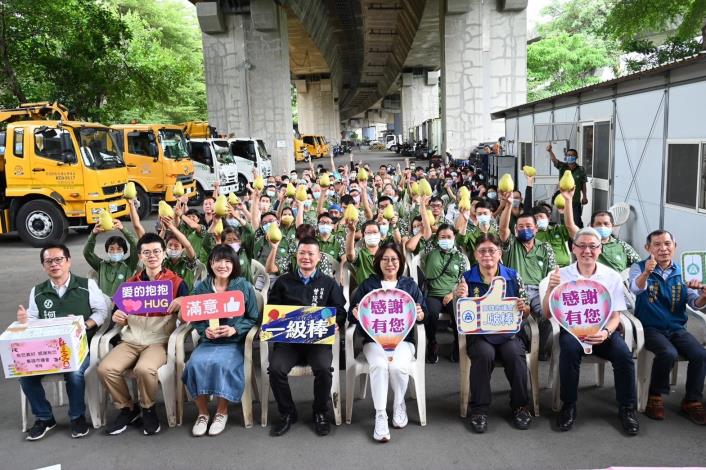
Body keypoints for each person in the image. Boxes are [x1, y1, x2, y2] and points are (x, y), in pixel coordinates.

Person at [540, 227, 639, 435]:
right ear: (573, 248)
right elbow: (548, 314)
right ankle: (569, 405)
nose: (587, 251)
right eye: (582, 246)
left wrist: (606, 333)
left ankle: (627, 408)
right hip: (573, 332)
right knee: (568, 350)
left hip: (603, 332)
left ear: (600, 249)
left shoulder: (611, 276)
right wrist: (550, 288)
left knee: (624, 355)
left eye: (592, 246)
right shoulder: (561, 275)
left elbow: (615, 316)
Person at [98, 233, 188, 436]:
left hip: (158, 340)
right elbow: (116, 313)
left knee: (144, 369)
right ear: (140, 256)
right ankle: (128, 408)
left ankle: (148, 407)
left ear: (164, 254)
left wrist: (183, 302)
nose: (152, 256)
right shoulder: (130, 284)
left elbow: (189, 315)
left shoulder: (176, 283)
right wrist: (118, 316)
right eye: (146, 252)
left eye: (156, 251)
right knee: (105, 368)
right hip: (131, 339)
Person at [17, 244, 108, 440]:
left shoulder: (86, 285)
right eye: (48, 261)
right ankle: (44, 418)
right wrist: (26, 321)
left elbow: (101, 312)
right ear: (43, 266)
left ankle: (76, 416)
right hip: (49, 350)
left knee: (74, 373)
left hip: (80, 347)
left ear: (68, 261)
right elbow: (33, 320)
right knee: (24, 374)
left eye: (58, 259)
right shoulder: (38, 292)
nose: (54, 264)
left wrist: (84, 324)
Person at [267, 238, 347, 437]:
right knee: (275, 369)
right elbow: (272, 312)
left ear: (319, 258)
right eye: (302, 253)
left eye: (311, 254)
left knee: (323, 369)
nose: (306, 257)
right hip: (289, 341)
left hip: (317, 340)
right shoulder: (283, 281)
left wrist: (335, 321)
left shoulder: (328, 283)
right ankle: (287, 412)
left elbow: (340, 310)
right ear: (296, 255)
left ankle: (320, 411)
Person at [348, 243, 427, 442]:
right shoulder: (368, 285)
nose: (390, 263)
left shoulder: (409, 285)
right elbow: (352, 313)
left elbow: (423, 313)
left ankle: (399, 403)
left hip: (403, 341)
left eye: (394, 259)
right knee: (380, 365)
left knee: (398, 367)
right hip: (374, 341)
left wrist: (420, 314)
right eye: (385, 259)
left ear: (400, 262)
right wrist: (355, 313)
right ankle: (381, 414)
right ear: (378, 262)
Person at [454, 234, 532, 433]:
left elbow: (525, 313)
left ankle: (521, 406)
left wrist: (524, 309)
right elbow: (461, 316)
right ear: (475, 254)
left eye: (492, 250)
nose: (487, 255)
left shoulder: (513, 276)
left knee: (515, 354)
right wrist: (459, 297)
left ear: (500, 253)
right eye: (482, 251)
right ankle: (479, 409)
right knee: (483, 353)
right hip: (480, 335)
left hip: (509, 334)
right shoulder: (466, 277)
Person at [180, 245, 259, 436]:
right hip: (209, 342)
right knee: (193, 365)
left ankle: (222, 411)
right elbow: (196, 318)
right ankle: (203, 413)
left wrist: (235, 328)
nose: (222, 265)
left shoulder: (244, 286)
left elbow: (253, 317)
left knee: (223, 365)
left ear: (234, 264)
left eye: (227, 261)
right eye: (218, 260)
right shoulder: (202, 288)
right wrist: (204, 330)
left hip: (234, 342)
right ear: (211, 263)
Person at [629, 230, 706, 424]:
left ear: (674, 246)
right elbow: (635, 289)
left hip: (677, 328)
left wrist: (704, 295)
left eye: (667, 244)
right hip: (650, 328)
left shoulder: (683, 272)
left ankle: (692, 400)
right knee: (668, 353)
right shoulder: (638, 268)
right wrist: (647, 271)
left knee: (700, 354)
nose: (663, 248)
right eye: (657, 244)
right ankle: (654, 395)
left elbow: (694, 303)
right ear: (648, 248)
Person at [83, 218, 139, 297]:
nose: (115, 252)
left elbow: (136, 245)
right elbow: (87, 253)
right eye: (111, 249)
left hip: (123, 305)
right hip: (104, 304)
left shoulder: (130, 264)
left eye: (119, 249)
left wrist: (123, 229)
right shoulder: (101, 264)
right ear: (107, 250)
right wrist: (93, 234)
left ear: (125, 251)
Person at [547, 144, 588, 228]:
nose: (570, 157)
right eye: (568, 155)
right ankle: (566, 239)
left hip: (575, 200)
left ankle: (578, 237)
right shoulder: (562, 166)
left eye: (572, 155)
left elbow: (583, 184)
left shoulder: (581, 170)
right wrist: (550, 151)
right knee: (564, 222)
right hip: (563, 200)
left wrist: (584, 196)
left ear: (576, 157)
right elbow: (554, 161)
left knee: (577, 221)